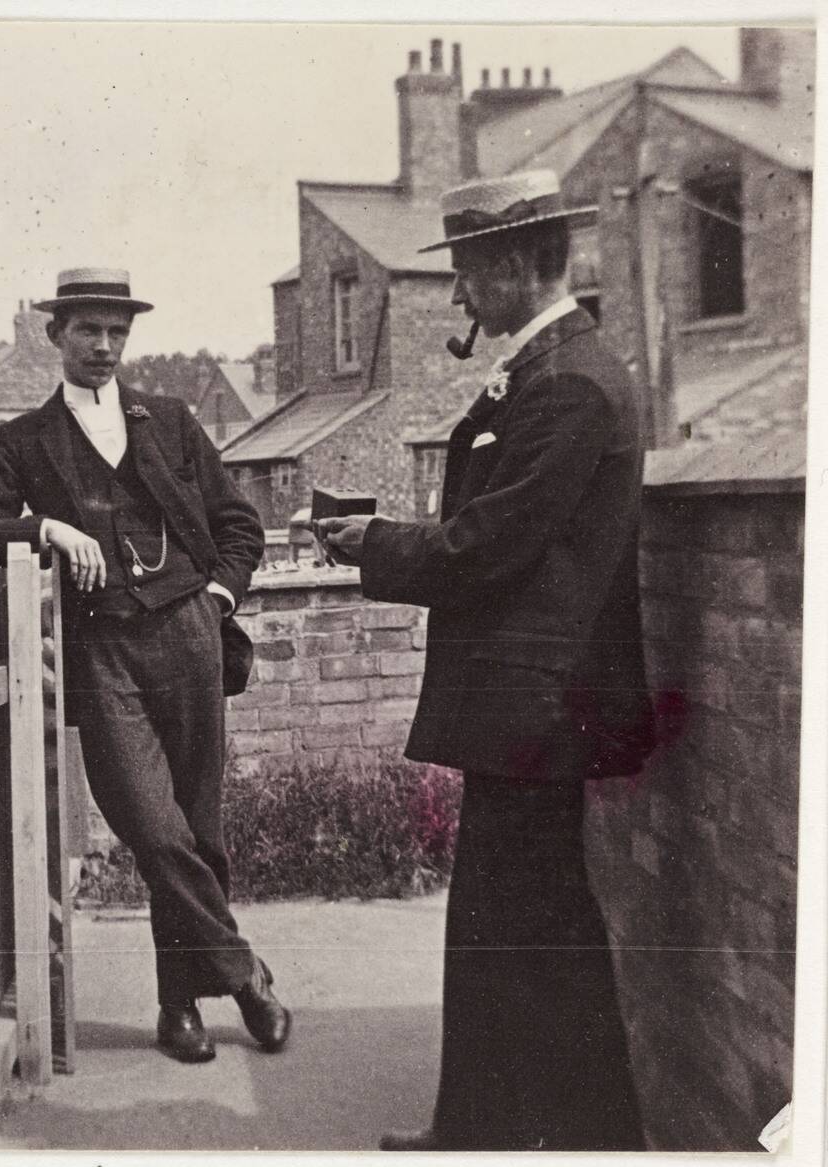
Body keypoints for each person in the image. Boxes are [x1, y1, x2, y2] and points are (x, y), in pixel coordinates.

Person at [318, 170, 656, 1152]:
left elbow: (484, 549)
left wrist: (370, 542)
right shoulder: (547, 370)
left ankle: (575, 1138)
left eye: (466, 275)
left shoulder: (571, 383)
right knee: (509, 930)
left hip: (542, 708)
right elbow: (494, 532)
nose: (459, 298)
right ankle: (493, 1130)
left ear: (510, 265)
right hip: (526, 707)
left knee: (531, 932)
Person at [0, 267, 291, 1063]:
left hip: (191, 637)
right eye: (88, 330)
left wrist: (218, 599)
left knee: (199, 829)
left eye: (116, 332)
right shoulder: (24, 442)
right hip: (102, 651)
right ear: (55, 335)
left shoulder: (168, 421)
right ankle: (246, 977)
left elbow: (241, 525)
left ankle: (181, 1009)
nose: (104, 346)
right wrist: (44, 529)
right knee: (153, 826)